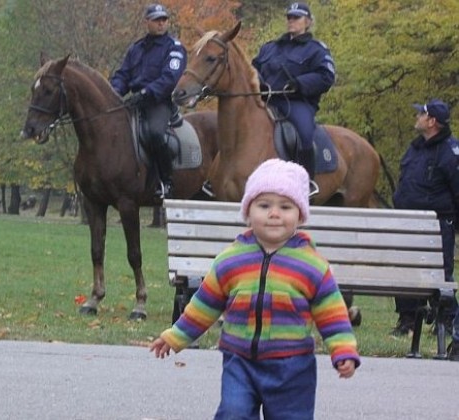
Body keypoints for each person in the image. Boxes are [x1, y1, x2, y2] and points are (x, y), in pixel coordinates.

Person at [150, 159, 360, 418]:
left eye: (285, 206)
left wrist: (343, 350)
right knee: (233, 413)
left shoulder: (312, 265)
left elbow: (333, 314)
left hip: (292, 368)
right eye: (264, 205)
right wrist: (175, 336)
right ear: (248, 212)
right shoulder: (231, 259)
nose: (274, 213)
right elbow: (204, 305)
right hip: (240, 363)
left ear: (300, 214)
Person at [391, 99, 459, 346]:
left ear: (432, 122)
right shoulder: (416, 148)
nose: (417, 116)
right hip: (408, 220)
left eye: (422, 113)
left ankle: (448, 319)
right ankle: (407, 320)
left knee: (440, 273)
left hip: (438, 223)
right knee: (404, 270)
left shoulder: (452, 152)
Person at [252, 2, 336, 196]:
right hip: (265, 100)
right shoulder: (270, 48)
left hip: (296, 103)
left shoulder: (316, 50)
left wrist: (299, 84)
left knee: (305, 134)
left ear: (308, 22)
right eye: (289, 17)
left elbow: (326, 76)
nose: (291, 21)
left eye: (296, 18)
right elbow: (253, 68)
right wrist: (258, 82)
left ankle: (307, 183)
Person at [110, 3, 186, 199]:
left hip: (159, 102)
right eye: (156, 20)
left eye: (164, 20)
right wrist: (113, 93)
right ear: (147, 22)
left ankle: (166, 181)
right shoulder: (135, 49)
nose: (161, 24)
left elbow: (170, 78)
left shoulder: (174, 48)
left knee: (154, 133)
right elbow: (122, 75)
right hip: (134, 101)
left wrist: (146, 93)